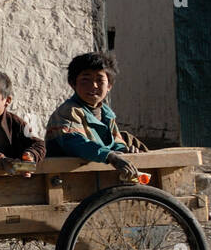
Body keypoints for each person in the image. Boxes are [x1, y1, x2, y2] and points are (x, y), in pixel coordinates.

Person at [45, 52, 141, 180]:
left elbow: (115, 140)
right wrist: (111, 156)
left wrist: (124, 149)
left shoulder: (107, 113)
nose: (94, 85)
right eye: (86, 80)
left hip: (96, 176)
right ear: (73, 84)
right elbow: (76, 143)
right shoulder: (68, 111)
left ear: (109, 86)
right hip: (67, 177)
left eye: (100, 80)